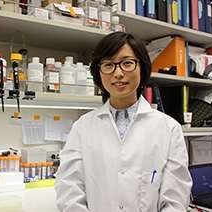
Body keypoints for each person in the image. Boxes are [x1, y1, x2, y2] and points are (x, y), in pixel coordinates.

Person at [54, 32, 192, 212]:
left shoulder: (169, 128)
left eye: (127, 63)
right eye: (109, 65)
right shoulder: (82, 127)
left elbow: (176, 199)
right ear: (99, 72)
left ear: (142, 68)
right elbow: (69, 189)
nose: (118, 73)